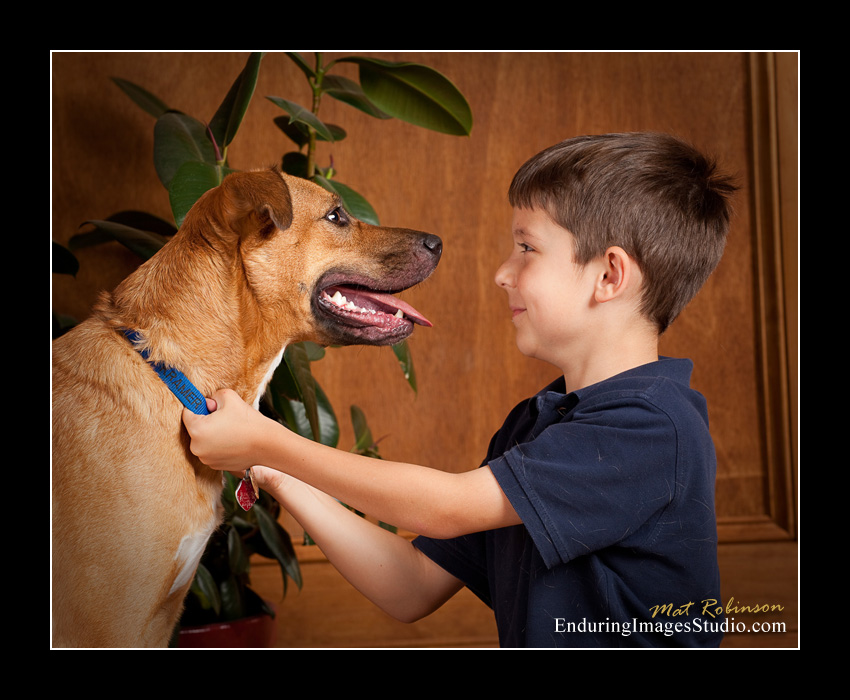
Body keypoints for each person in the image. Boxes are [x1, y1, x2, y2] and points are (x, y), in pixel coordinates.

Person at [183, 132, 737, 648]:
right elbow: (411, 586)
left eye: (527, 248)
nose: (503, 272)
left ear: (609, 276)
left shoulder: (651, 425)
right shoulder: (537, 425)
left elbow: (445, 508)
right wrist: (276, 472)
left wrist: (266, 441)